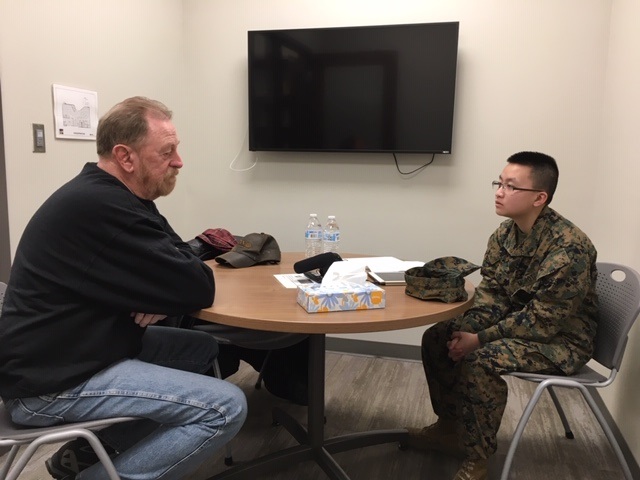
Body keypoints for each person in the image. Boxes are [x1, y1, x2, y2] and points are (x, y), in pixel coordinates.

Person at [0, 96, 247, 480]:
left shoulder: (123, 197)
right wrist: (167, 291)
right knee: (226, 407)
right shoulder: (102, 208)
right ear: (125, 156)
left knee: (202, 348)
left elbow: (183, 256)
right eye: (167, 152)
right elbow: (198, 284)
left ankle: (97, 451)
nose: (178, 161)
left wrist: (163, 295)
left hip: (82, 349)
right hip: (49, 384)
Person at [407, 152, 598, 480]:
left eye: (511, 187)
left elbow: (543, 321)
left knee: (481, 359)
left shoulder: (569, 249)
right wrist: (467, 330)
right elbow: (493, 295)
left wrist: (478, 339)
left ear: (540, 198)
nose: (499, 191)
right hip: (519, 324)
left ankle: (477, 458)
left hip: (563, 339)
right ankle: (449, 427)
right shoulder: (504, 235)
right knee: (439, 336)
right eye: (499, 183)